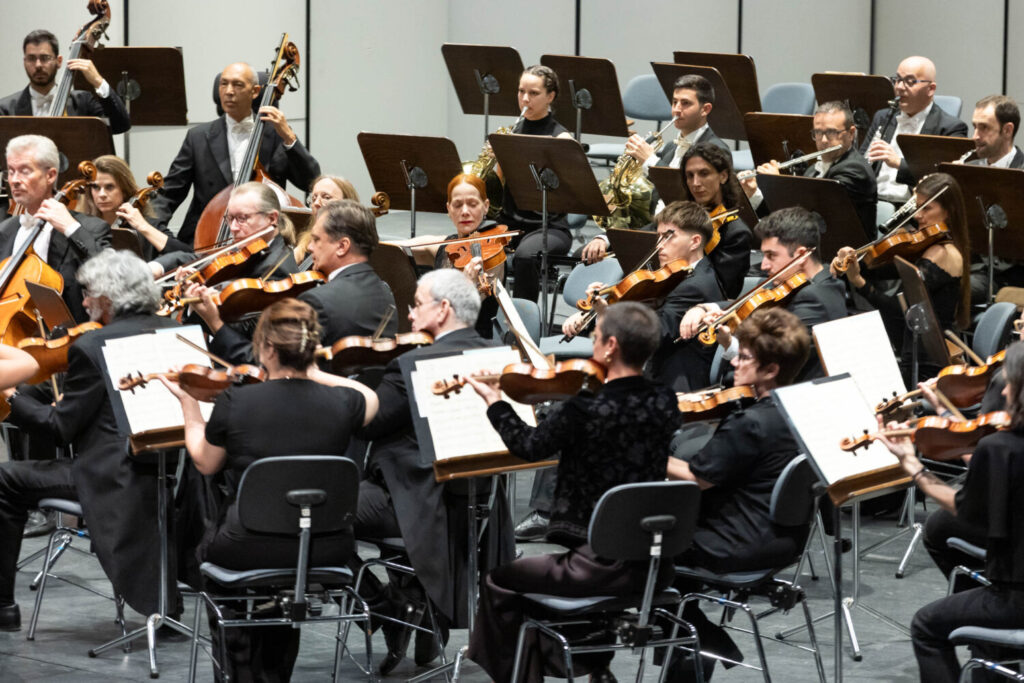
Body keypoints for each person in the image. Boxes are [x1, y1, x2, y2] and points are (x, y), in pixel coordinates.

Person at [160, 297, 377, 682]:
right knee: (285, 581)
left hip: (246, 545)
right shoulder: (343, 402)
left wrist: (189, 405)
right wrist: (310, 369)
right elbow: (369, 398)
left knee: (215, 552)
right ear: (311, 349)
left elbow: (205, 462)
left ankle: (239, 671)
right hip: (324, 546)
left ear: (269, 348)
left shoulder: (236, 401)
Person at [463, 302, 681, 683]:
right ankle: (591, 662)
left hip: (597, 566)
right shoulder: (665, 401)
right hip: (653, 564)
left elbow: (529, 446)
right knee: (534, 583)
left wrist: (495, 401)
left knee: (500, 579)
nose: (592, 346)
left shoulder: (585, 407)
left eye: (595, 338)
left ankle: (522, 674)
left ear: (611, 346)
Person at [0, 250, 177, 631]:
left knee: (5, 479)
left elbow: (59, 429)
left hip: (111, 477)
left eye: (87, 293)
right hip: (167, 473)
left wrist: (11, 396)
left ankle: (3, 607)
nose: (82, 303)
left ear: (109, 297)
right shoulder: (174, 329)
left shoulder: (93, 346)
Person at [355, 268, 512, 675]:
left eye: (417, 304)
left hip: (419, 503)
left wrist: (347, 385)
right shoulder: (497, 358)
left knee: (317, 510)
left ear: (442, 309)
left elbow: (366, 423)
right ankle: (415, 600)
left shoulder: (413, 365)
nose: (408, 314)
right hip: (478, 507)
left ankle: (385, 605)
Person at [665, 307, 811, 680]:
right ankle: (693, 649)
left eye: (744, 359)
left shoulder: (751, 424)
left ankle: (705, 640)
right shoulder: (802, 407)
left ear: (771, 370)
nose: (734, 366)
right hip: (784, 539)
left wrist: (647, 451)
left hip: (734, 543)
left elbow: (696, 479)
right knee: (669, 576)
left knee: (635, 559)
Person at [875, 341, 1024, 683]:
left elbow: (965, 512)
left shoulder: (999, 448)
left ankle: (989, 646)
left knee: (926, 626)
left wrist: (913, 466)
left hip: (1017, 598)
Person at [191, 198, 397, 363]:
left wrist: (215, 322)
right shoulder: (385, 292)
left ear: (342, 246)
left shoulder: (317, 301)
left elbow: (267, 364)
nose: (309, 248)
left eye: (316, 240)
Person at [148, 62, 320, 246]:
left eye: (237, 85)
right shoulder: (197, 137)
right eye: (224, 84)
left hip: (262, 241)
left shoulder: (276, 134)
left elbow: (310, 181)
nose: (229, 91)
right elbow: (170, 193)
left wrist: (288, 137)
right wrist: (153, 228)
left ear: (254, 92)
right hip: (205, 239)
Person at [564, 200, 724, 391]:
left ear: (695, 241)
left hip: (671, 381)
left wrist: (606, 315)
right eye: (658, 236)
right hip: (650, 367)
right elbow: (637, 308)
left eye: (668, 237)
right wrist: (592, 314)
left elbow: (654, 333)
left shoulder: (697, 285)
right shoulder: (675, 274)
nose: (659, 245)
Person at [679, 206, 847, 382]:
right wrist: (704, 308)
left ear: (801, 254)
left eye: (771, 255)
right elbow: (756, 301)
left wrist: (729, 343)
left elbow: (771, 363)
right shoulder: (817, 283)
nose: (764, 265)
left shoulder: (814, 299)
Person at [832, 172, 969, 377]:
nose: (918, 216)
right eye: (918, 206)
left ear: (949, 211)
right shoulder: (928, 246)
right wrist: (851, 261)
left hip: (927, 363)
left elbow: (901, 310)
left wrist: (859, 283)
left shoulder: (943, 255)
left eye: (927, 208)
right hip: (913, 350)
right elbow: (877, 270)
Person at [582, 74, 730, 248]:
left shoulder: (716, 150)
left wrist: (649, 160)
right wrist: (606, 236)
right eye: (674, 102)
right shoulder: (670, 149)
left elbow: (690, 201)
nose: (677, 109)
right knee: (587, 253)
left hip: (686, 239)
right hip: (655, 228)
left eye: (686, 103)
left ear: (705, 109)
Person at [0, 134, 110, 323]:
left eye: (24, 171)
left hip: (69, 340)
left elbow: (111, 276)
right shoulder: (5, 230)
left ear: (50, 175)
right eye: (11, 171)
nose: (15, 180)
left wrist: (71, 229)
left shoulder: (89, 228)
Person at [496, 65, 575, 302]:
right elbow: (495, 188)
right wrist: (497, 162)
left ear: (550, 97)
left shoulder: (561, 139)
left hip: (548, 227)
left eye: (533, 93)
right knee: (464, 246)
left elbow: (568, 194)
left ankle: (523, 324)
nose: (525, 99)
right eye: (521, 92)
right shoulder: (511, 133)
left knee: (525, 257)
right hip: (510, 223)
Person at [743, 101, 878, 239]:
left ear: (851, 133)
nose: (824, 140)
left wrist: (775, 184)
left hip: (847, 255)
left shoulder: (855, 171)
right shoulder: (813, 170)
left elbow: (810, 222)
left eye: (831, 132)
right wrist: (754, 194)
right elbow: (781, 217)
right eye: (818, 132)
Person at [860, 56, 968, 206]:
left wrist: (899, 163)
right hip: (871, 203)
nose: (899, 87)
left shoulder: (950, 128)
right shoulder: (883, 116)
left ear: (931, 89)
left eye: (910, 81)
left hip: (913, 211)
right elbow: (861, 162)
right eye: (897, 79)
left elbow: (944, 181)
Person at [151, 181, 297, 281]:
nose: (233, 228)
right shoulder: (247, 249)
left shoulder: (276, 270)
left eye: (242, 218)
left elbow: (249, 326)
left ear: (272, 218)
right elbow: (195, 259)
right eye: (230, 218)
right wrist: (156, 267)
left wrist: (204, 301)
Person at [0, 30, 130, 134]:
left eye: (45, 58)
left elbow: (120, 126)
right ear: (24, 62)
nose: (38, 65)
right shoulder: (5, 110)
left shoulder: (82, 102)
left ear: (59, 61)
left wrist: (98, 82)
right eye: (31, 59)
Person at [78, 155, 190, 258]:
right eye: (96, 187)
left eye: (109, 187)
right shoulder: (81, 225)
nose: (102, 194)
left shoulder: (147, 223)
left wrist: (143, 227)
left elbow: (187, 256)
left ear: (125, 190)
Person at [289, 174, 359, 262]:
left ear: (347, 204)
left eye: (326, 197)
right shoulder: (306, 244)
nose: (316, 203)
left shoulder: (355, 247)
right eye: (314, 198)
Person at [967, 95, 1024, 168]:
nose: (975, 137)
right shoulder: (967, 169)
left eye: (984, 127)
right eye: (975, 127)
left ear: (1007, 130)